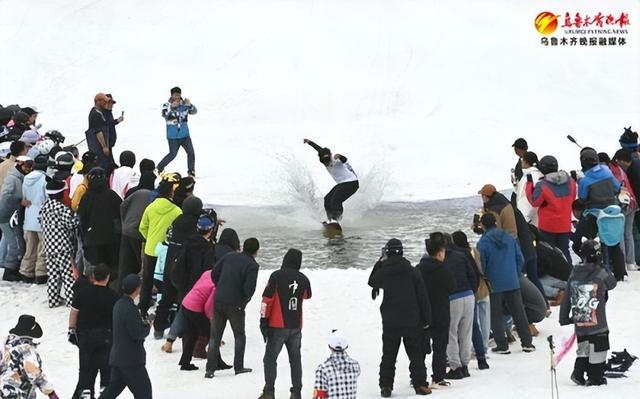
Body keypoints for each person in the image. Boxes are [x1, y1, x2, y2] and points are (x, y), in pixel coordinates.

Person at [368, 238, 431, 397]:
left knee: (389, 354)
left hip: (391, 321)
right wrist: (427, 320)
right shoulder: (412, 271)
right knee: (416, 354)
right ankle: (420, 385)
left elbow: (372, 281)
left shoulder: (385, 271)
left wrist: (380, 262)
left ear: (387, 253)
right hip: (412, 319)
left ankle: (386, 386)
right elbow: (422, 297)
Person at [560, 240, 617, 386]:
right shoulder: (600, 272)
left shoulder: (574, 272)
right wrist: (603, 265)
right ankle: (595, 376)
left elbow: (567, 296)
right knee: (599, 347)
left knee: (584, 347)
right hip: (598, 323)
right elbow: (612, 283)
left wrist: (563, 317)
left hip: (580, 320)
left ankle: (578, 371)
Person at [476, 213, 535, 354]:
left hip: (494, 283)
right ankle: (527, 343)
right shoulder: (509, 238)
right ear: (496, 223)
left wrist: (485, 277)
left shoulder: (483, 243)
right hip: (512, 280)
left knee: (495, 314)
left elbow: (481, 265)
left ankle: (502, 345)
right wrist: (514, 273)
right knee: (519, 312)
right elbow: (519, 258)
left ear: (482, 225)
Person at [258, 248, 312, 399]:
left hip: (277, 327)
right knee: (295, 360)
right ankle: (296, 392)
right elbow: (307, 295)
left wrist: (263, 320)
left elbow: (266, 300)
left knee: (269, 359)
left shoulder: (276, 276)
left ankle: (269, 392)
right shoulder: (303, 278)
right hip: (296, 326)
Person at [205, 238, 260, 378]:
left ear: (242, 247)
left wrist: (220, 287)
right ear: (256, 251)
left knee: (215, 336)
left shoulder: (229, 256)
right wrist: (244, 298)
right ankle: (238, 367)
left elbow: (213, 273)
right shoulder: (252, 265)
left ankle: (210, 369)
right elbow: (249, 289)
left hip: (218, 300)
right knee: (239, 335)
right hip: (236, 305)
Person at [154, 196, 204, 337]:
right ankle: (182, 330)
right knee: (185, 300)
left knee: (166, 298)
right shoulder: (195, 224)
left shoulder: (177, 221)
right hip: (184, 267)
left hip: (169, 264)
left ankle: (158, 328)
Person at [69, 264, 119, 399]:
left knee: (85, 367)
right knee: (105, 367)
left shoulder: (82, 293)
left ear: (92, 277)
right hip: (106, 335)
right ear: (108, 278)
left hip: (85, 335)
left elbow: (74, 312)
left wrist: (71, 330)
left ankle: (86, 392)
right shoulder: (113, 296)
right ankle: (104, 392)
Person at [98, 274, 152, 399]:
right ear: (137, 289)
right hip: (131, 360)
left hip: (117, 357)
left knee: (112, 390)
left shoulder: (119, 304)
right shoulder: (130, 309)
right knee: (144, 393)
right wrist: (147, 326)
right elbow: (136, 333)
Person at [578, 147, 625, 280]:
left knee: (597, 244)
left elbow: (582, 198)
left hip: (595, 215)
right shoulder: (607, 172)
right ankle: (621, 274)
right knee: (614, 242)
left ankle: (602, 274)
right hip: (613, 212)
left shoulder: (585, 180)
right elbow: (617, 188)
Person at [416, 233, 456, 388]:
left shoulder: (418, 268)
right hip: (440, 312)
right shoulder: (442, 269)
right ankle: (438, 378)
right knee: (440, 346)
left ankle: (418, 377)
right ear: (440, 252)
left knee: (419, 347)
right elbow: (452, 287)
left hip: (422, 314)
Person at [138, 178, 182, 317]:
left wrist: (150, 238)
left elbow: (142, 227)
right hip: (167, 251)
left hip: (151, 249)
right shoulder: (176, 211)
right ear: (171, 193)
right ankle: (164, 309)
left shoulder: (150, 207)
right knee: (166, 281)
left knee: (147, 280)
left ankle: (143, 308)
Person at [525, 155, 576, 264]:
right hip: (564, 224)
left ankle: (553, 275)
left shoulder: (542, 185)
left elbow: (534, 202)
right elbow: (572, 198)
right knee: (564, 250)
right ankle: (569, 273)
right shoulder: (570, 181)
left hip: (548, 226)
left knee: (549, 251)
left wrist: (529, 185)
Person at [451, 231, 490, 370]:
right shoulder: (469, 252)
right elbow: (474, 273)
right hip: (472, 293)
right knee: (473, 327)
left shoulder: (456, 256)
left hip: (462, 294)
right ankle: (481, 358)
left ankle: (458, 362)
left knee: (456, 330)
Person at [39, 179, 79, 308]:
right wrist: (78, 219)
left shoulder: (44, 206)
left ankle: (53, 300)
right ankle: (70, 300)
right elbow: (70, 224)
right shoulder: (61, 208)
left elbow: (40, 221)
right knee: (67, 274)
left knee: (53, 275)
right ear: (60, 194)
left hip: (49, 246)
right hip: (63, 246)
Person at [443, 235, 478, 379]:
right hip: (468, 295)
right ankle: (465, 366)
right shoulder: (462, 255)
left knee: (451, 333)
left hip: (453, 298)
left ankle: (455, 367)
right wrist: (472, 291)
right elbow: (473, 275)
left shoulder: (441, 259)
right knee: (466, 332)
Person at [0, 315, 60, 399]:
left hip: (3, 390)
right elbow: (35, 374)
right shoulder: (26, 349)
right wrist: (51, 392)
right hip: (18, 393)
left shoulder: (5, 344)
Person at [77, 167, 122, 277]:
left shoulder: (86, 197)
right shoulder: (112, 195)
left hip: (92, 239)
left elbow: (81, 218)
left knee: (95, 269)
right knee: (112, 269)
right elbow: (121, 212)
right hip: (112, 238)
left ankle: (96, 289)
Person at [303, 139, 359, 223]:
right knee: (327, 199)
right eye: (324, 161)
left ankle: (336, 219)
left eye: (327, 160)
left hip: (351, 183)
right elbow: (319, 149)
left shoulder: (336, 160)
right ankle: (330, 220)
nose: (326, 163)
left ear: (330, 156)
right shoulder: (324, 159)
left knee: (336, 200)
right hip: (342, 184)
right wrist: (309, 142)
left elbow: (344, 159)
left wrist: (339, 156)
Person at [118, 174, 154, 287]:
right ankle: (138, 289)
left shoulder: (138, 193)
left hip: (126, 230)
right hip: (139, 233)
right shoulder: (153, 197)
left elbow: (123, 205)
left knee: (124, 263)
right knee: (140, 264)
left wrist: (124, 220)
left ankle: (121, 288)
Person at [0, 155, 31, 282]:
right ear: (20, 165)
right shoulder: (13, 178)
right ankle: (9, 271)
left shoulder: (20, 177)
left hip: (14, 215)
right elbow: (6, 195)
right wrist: (20, 201)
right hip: (7, 215)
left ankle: (12, 268)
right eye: (27, 166)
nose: (29, 169)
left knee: (17, 242)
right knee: (16, 244)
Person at [19, 154, 49, 284]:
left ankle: (26, 272)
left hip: (29, 216)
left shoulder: (26, 178)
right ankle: (41, 273)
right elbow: (46, 198)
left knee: (29, 248)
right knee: (42, 248)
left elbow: (25, 197)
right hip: (41, 217)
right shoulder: (45, 179)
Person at [157, 87, 197, 177]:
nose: (177, 97)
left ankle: (191, 171)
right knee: (172, 154)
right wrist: (171, 107)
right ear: (172, 95)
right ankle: (159, 168)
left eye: (179, 95)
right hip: (173, 136)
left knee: (191, 153)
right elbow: (164, 114)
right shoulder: (166, 104)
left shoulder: (184, 104)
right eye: (175, 95)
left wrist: (190, 105)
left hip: (185, 135)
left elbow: (194, 111)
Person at [611, 149, 638, 271]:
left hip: (624, 204)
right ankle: (630, 262)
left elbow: (617, 187)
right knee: (628, 233)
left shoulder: (614, 170)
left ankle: (621, 262)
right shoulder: (625, 170)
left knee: (620, 233)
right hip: (633, 202)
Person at [312, 330, 361, 399]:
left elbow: (319, 396)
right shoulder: (355, 365)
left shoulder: (323, 369)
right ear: (346, 346)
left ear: (329, 346)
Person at [85, 94, 112, 174]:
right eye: (104, 101)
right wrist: (104, 146)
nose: (106, 103)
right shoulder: (95, 114)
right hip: (98, 148)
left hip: (101, 148)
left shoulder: (100, 112)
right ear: (98, 102)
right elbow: (98, 132)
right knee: (101, 166)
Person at [515, 151, 542, 225]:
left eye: (522, 160)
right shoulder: (531, 175)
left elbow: (528, 197)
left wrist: (525, 218)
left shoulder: (531, 177)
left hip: (529, 218)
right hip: (532, 217)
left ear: (526, 161)